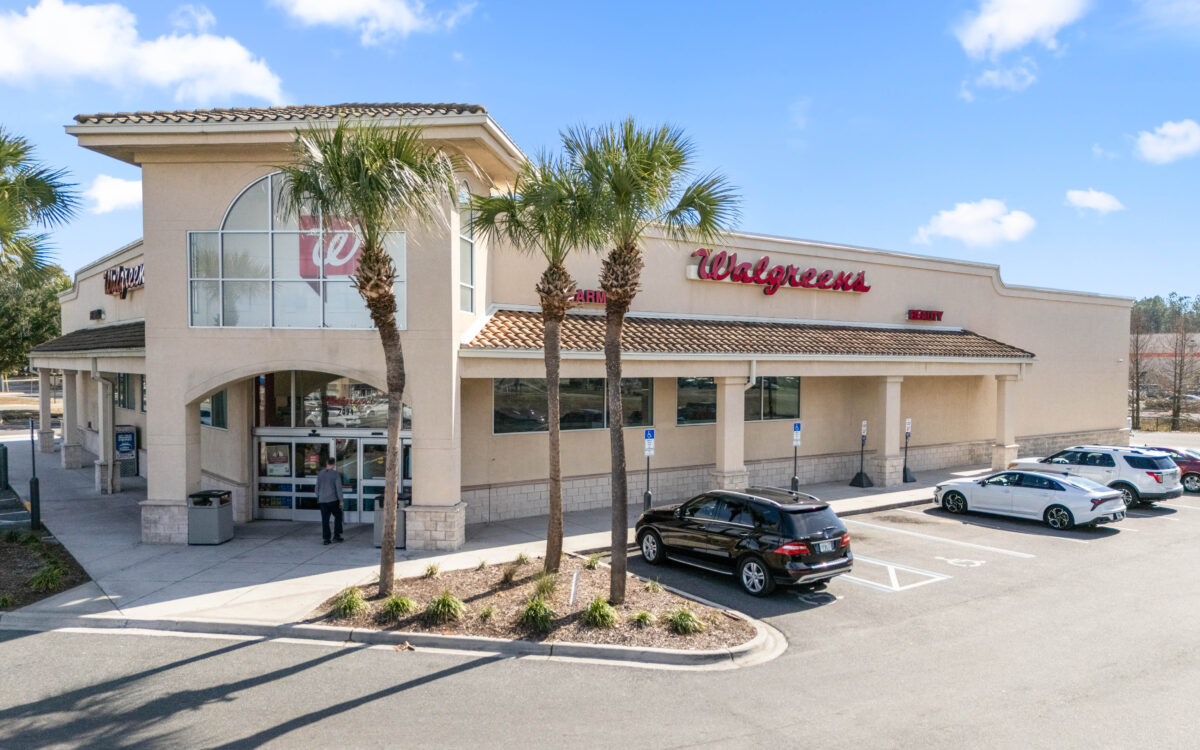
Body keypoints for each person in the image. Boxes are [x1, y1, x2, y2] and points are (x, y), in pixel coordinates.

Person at [316, 456, 344, 544]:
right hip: (332, 500)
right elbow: (338, 489)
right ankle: (337, 535)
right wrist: (341, 500)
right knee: (338, 516)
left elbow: (316, 488)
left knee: (325, 520)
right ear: (334, 464)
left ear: (326, 463)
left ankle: (326, 539)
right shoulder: (336, 474)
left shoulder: (320, 473)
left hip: (322, 500)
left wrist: (319, 497)